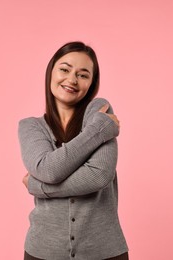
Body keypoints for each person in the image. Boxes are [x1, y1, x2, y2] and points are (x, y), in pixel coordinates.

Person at [18, 41, 129, 260]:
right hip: (42, 252)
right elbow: (48, 169)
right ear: (51, 71)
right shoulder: (30, 126)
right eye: (65, 69)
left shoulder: (100, 111)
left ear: (91, 84)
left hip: (105, 252)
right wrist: (101, 130)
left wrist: (38, 186)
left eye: (83, 75)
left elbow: (98, 176)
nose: (72, 80)